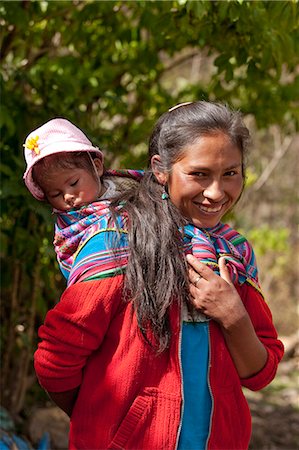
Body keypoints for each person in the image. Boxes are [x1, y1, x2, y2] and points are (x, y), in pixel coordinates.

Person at [34, 101, 284, 450]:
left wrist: (233, 315)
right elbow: (55, 361)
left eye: (230, 173)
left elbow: (260, 373)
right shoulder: (117, 241)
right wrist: (104, 418)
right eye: (199, 174)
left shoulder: (233, 253)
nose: (216, 192)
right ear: (161, 170)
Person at [23, 118, 142, 282]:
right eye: (55, 194)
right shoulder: (69, 224)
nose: (68, 197)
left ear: (97, 167)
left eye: (73, 183)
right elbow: (70, 257)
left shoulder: (127, 185)